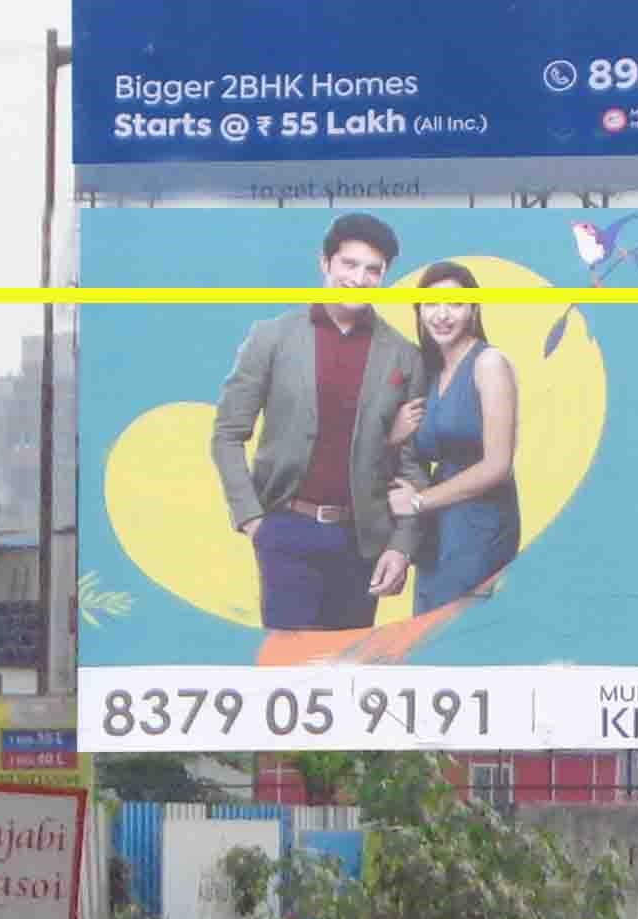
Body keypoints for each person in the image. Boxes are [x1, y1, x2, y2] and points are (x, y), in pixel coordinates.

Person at [209, 209, 419, 635]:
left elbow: (412, 466)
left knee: (349, 678)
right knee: (288, 675)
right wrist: (252, 518)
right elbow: (228, 434)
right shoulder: (272, 337)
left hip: (362, 543)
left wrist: (402, 547)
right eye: (349, 264)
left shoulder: (403, 356)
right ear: (325, 264)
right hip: (287, 532)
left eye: (372, 270)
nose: (359, 278)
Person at [384, 261, 525, 609]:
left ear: (473, 309)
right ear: (419, 312)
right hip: (437, 531)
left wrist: (418, 502)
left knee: (461, 637)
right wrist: (395, 434)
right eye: (431, 305)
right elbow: (410, 453)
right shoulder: (429, 372)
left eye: (455, 304)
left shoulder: (488, 364)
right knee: (428, 641)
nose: (442, 315)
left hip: (481, 525)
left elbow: (497, 466)